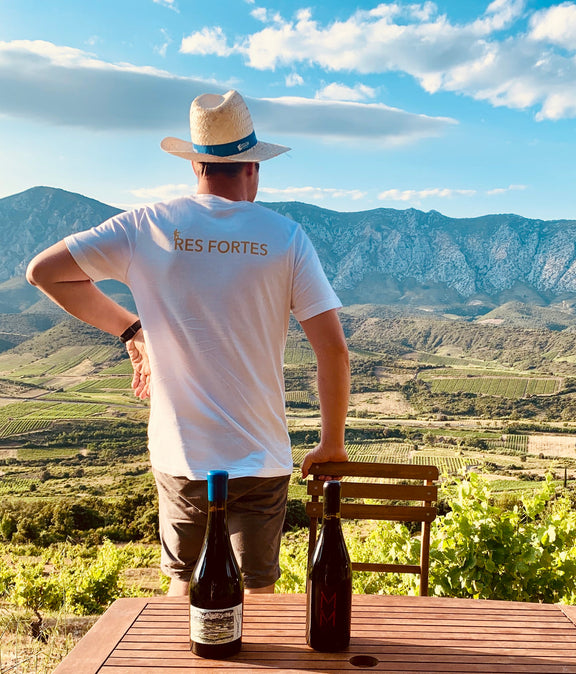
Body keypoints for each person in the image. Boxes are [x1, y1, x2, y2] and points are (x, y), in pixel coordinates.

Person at [26, 90, 350, 596]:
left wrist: (133, 330)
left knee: (185, 589)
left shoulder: (146, 225)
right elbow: (332, 350)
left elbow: (42, 272)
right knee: (258, 594)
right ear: (253, 168)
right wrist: (331, 443)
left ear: (195, 164)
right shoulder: (286, 237)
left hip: (181, 455)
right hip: (261, 457)